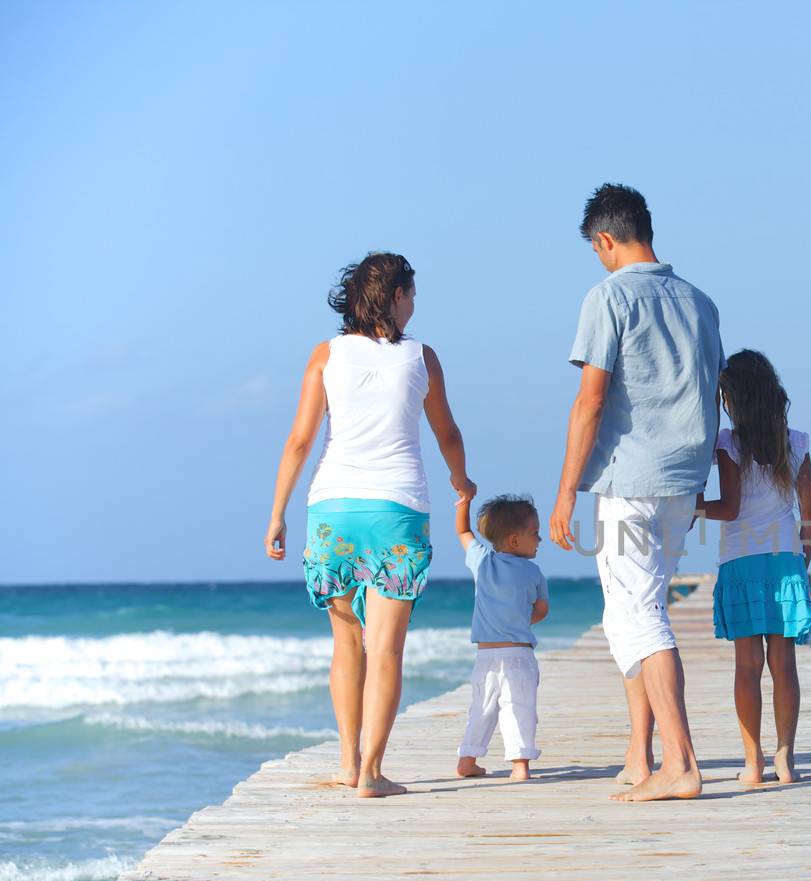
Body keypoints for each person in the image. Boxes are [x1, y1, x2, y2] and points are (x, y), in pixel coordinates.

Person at [264, 252, 474, 799]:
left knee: (345, 643)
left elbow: (300, 441)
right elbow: (446, 431)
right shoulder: (422, 357)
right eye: (411, 294)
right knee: (385, 649)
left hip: (332, 510)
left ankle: (346, 761)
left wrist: (277, 513)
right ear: (397, 297)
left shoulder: (325, 355)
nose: (414, 305)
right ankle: (372, 773)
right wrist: (463, 480)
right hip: (397, 510)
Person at [549, 183, 724, 802]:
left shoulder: (609, 296)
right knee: (632, 610)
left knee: (639, 615)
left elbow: (591, 400)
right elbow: (711, 391)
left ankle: (681, 764)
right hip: (684, 477)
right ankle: (639, 754)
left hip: (630, 477)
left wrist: (567, 490)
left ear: (605, 239)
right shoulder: (701, 302)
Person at [697, 350, 811, 785]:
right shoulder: (796, 442)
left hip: (741, 561)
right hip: (784, 561)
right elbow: (810, 521)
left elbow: (729, 509)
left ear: (733, 397)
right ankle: (786, 759)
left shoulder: (729, 443)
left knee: (747, 665)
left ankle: (753, 763)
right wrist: (799, 566)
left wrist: (692, 508)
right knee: (782, 663)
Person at [453, 493, 550, 782]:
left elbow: (462, 531)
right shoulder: (533, 572)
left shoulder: (482, 561)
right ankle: (520, 766)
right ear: (513, 540)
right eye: (535, 533)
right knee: (519, 708)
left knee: (481, 709)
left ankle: (467, 760)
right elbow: (542, 610)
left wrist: (464, 503)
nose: (540, 540)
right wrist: (521, 619)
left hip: (485, 657)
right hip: (519, 655)